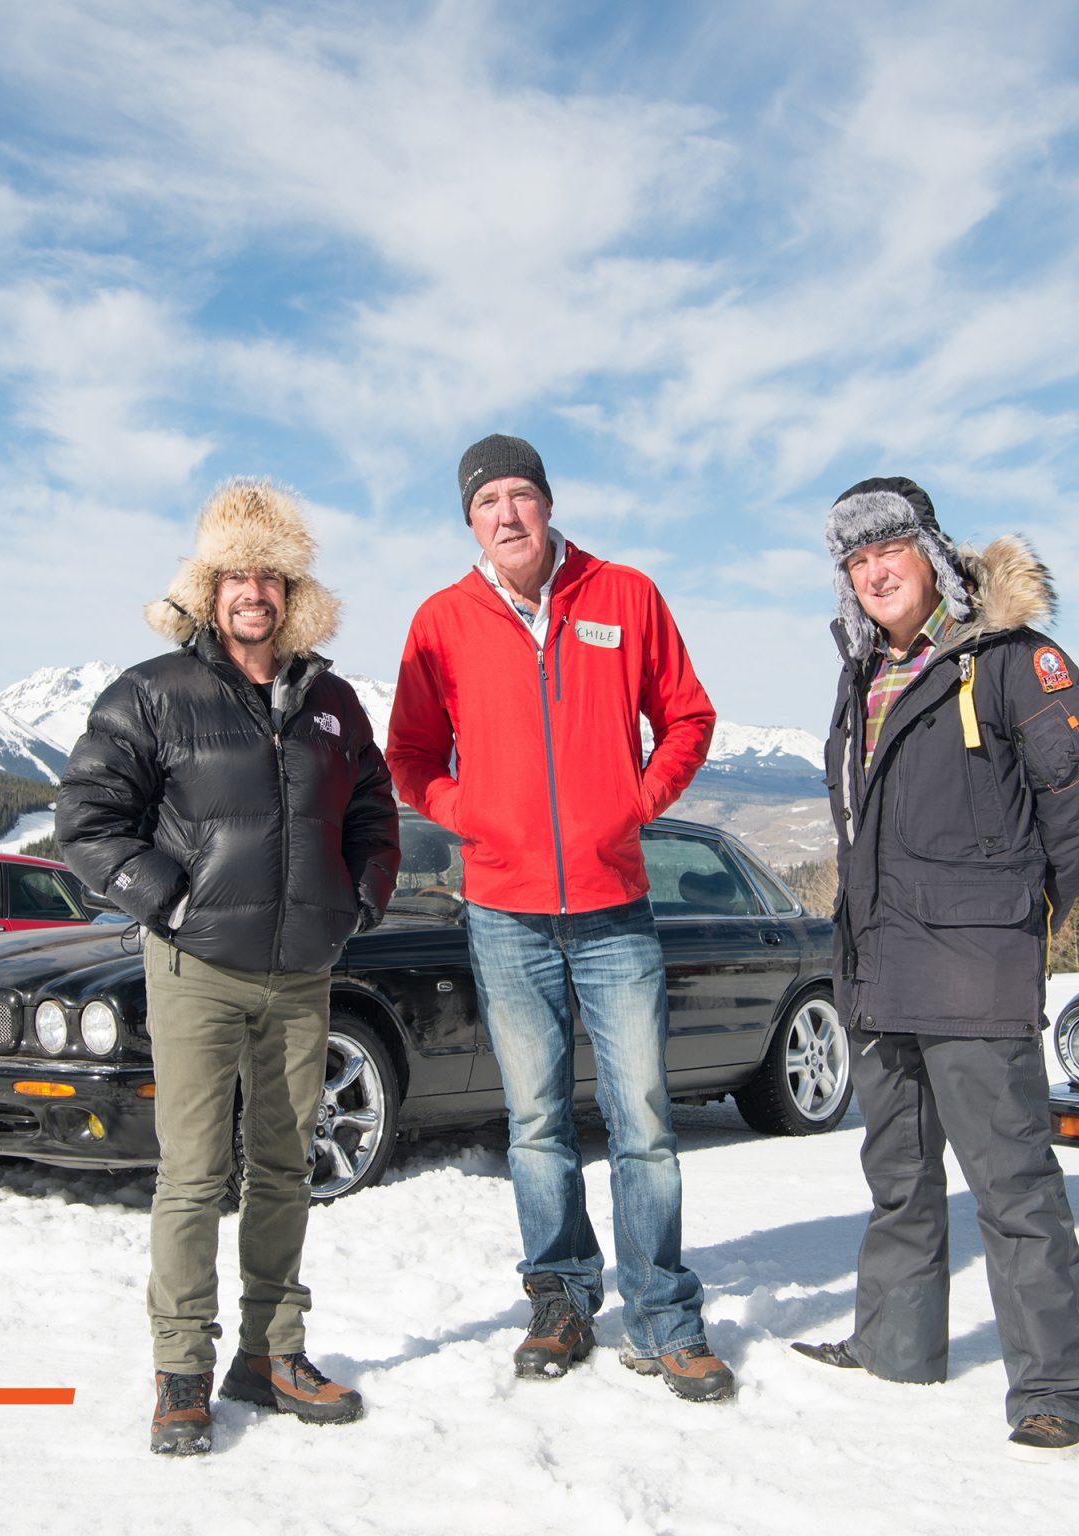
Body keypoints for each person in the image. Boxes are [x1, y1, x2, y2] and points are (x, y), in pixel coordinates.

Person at [388, 433, 733, 1402]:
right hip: (502, 915)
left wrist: (633, 801)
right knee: (536, 1123)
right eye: (486, 500)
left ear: (546, 504)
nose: (506, 514)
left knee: (645, 1122)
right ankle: (560, 1300)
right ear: (469, 520)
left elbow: (689, 717)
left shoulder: (622, 595)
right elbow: (410, 755)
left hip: (614, 907)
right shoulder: (441, 621)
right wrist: (469, 816)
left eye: (519, 495)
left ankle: (663, 1316)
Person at [57, 479, 399, 1457]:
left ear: (292, 592)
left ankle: (271, 1351)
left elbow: (372, 811)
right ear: (207, 589)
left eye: (271, 574)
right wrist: (169, 898)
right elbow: (86, 821)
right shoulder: (151, 694)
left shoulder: (330, 702)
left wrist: (360, 893)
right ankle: (178, 1374)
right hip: (197, 968)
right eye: (234, 573)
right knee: (196, 1172)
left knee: (287, 1167)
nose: (253, 590)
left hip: (300, 972)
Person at [793, 476, 1079, 1462]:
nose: (873, 570)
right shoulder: (860, 675)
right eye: (854, 558)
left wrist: (1018, 917)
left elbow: (1074, 802)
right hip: (879, 967)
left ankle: (1055, 1385)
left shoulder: (1011, 660)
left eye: (887, 548)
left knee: (1010, 1181)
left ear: (929, 553)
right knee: (896, 1174)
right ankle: (896, 1343)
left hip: (973, 968)